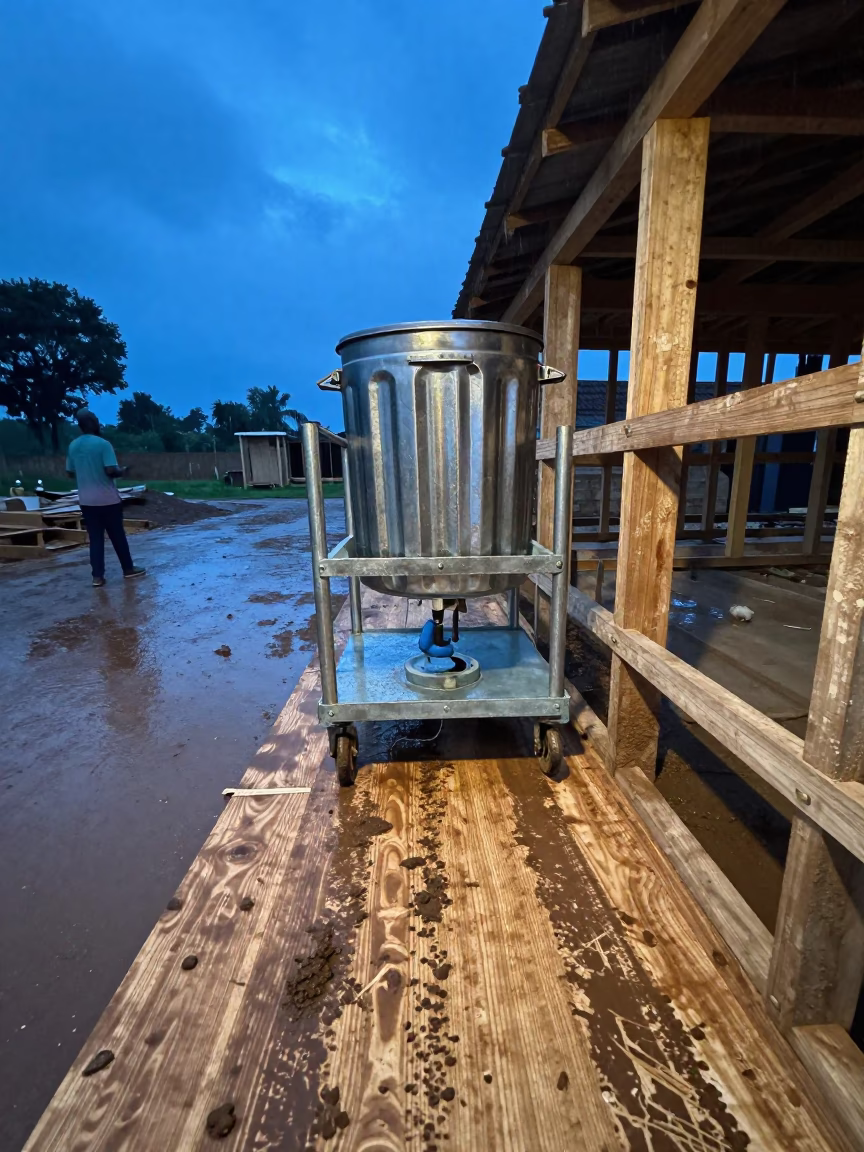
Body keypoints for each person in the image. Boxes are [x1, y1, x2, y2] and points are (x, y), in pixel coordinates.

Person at [66, 408, 146, 587]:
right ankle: (128, 569)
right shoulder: (103, 444)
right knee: (117, 535)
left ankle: (97, 577)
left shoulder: (73, 446)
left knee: (95, 539)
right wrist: (123, 471)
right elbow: (110, 470)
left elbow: (70, 473)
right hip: (107, 499)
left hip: (86, 500)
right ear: (94, 423)